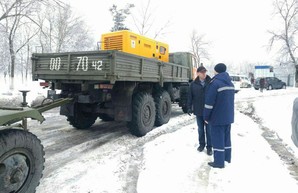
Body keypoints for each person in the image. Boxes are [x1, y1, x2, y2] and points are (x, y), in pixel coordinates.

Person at [203, 63, 235, 168]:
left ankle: (219, 162)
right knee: (226, 138)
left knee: (217, 139)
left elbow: (209, 103)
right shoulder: (230, 83)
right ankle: (226, 157)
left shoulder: (215, 83)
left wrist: (206, 116)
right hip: (228, 116)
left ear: (216, 71)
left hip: (217, 117)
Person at [187, 66, 212, 156]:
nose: (204, 74)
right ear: (197, 73)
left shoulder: (210, 82)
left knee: (209, 130)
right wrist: (189, 107)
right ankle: (202, 145)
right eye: (202, 72)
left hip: (209, 111)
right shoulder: (193, 84)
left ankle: (209, 147)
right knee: (201, 129)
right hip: (198, 110)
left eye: (205, 72)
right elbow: (190, 96)